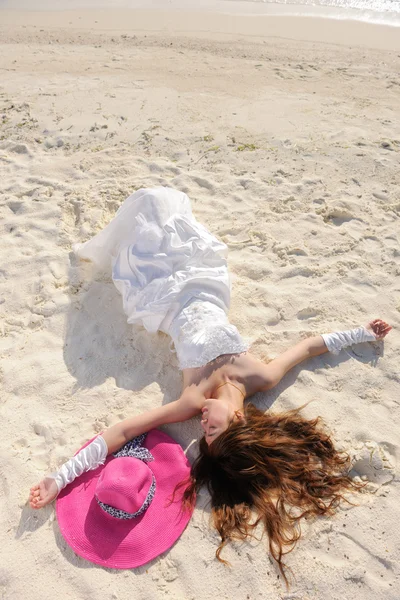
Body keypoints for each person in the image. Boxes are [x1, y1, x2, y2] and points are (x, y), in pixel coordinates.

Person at [29, 187, 392, 579]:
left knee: (148, 208)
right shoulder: (261, 376)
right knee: (160, 204)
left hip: (163, 296)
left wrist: (60, 477)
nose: (201, 423)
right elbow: (307, 348)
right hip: (204, 284)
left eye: (203, 433)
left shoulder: (193, 398)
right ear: (237, 419)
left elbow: (122, 430)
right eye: (212, 427)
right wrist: (361, 333)